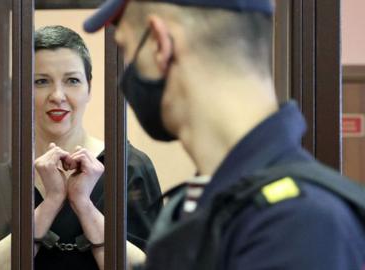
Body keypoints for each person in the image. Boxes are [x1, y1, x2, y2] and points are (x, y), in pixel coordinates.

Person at [84, 0, 365, 269]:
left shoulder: (297, 220)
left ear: (160, 43)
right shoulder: (198, 202)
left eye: (127, 49)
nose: (126, 74)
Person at [0, 25, 162, 270]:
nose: (57, 95)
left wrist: (84, 206)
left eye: (72, 80)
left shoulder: (130, 168)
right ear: (21, 90)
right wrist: (51, 203)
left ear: (89, 88)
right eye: (41, 81)